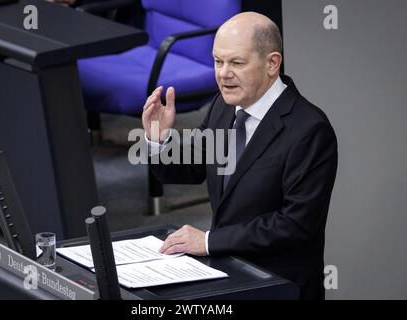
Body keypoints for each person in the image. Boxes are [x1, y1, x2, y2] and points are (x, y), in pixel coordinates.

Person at [141, 12, 338, 300]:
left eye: (236, 63)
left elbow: (295, 224)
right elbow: (194, 166)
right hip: (225, 273)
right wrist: (158, 138)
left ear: (272, 63)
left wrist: (208, 241)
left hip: (278, 285)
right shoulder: (223, 106)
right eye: (218, 61)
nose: (223, 73)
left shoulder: (309, 130)